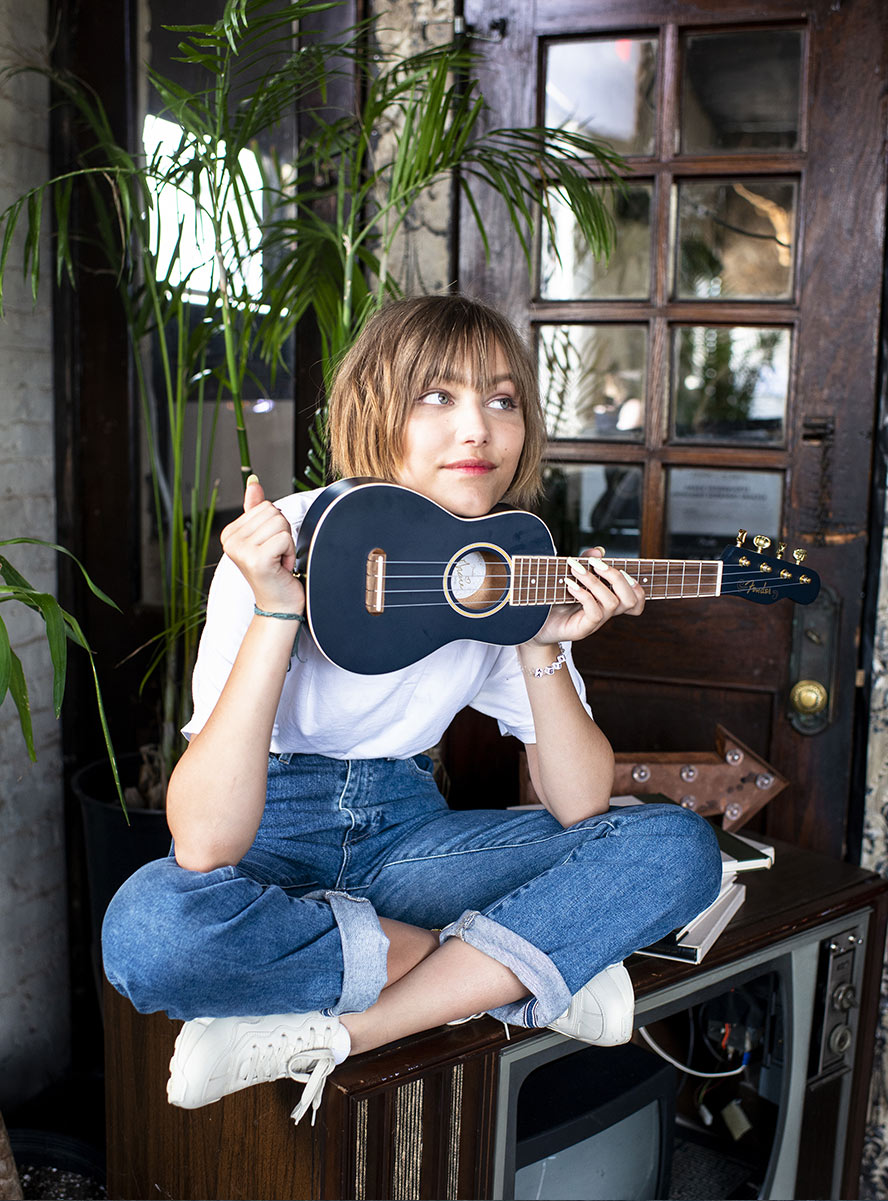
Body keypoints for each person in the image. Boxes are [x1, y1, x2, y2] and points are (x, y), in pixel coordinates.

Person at [102, 294, 722, 1122]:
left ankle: (353, 1027)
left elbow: (581, 804)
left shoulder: (505, 564)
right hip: (268, 841)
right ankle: (506, 969)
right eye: (438, 396)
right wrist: (277, 612)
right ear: (376, 411)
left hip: (408, 842)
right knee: (147, 935)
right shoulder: (281, 537)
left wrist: (543, 644)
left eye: (502, 400)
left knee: (677, 847)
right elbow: (208, 842)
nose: (478, 430)